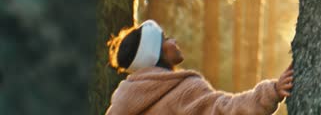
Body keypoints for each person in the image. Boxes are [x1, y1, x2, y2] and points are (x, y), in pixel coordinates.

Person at [105, 19, 293, 115]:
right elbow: (225, 111)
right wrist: (272, 91)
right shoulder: (183, 91)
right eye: (166, 38)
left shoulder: (121, 103)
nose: (174, 40)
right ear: (155, 52)